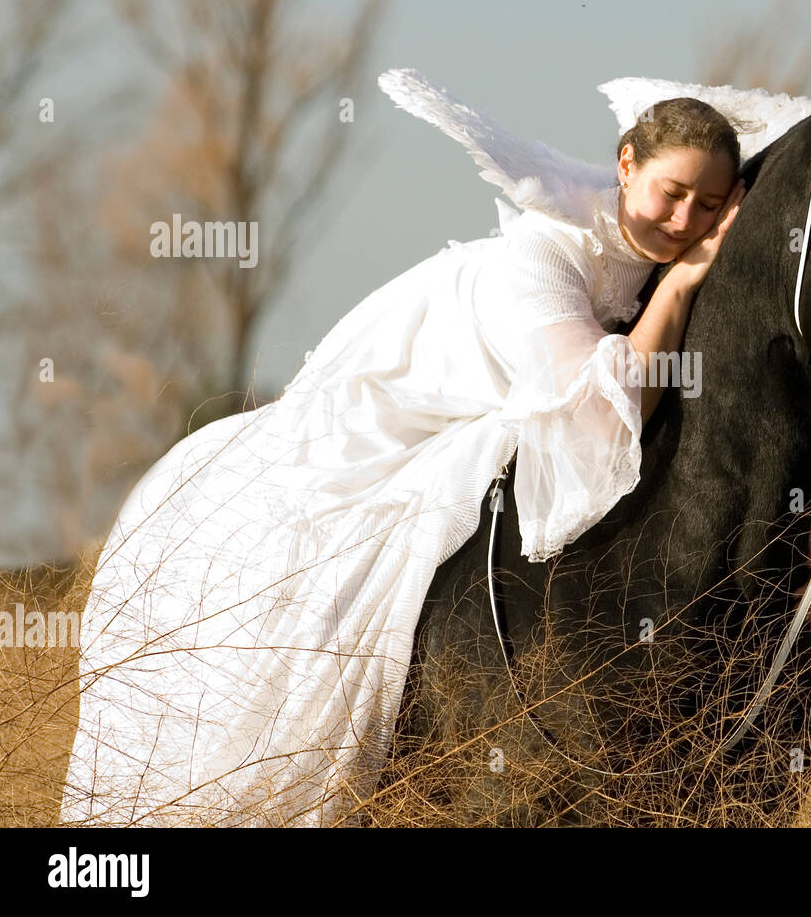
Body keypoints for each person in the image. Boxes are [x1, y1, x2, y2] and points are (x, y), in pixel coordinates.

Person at [60, 90, 745, 827]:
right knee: (328, 551)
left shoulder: (662, 246)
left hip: (495, 407)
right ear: (625, 165)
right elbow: (599, 416)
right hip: (404, 397)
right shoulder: (546, 249)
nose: (684, 223)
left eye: (709, 208)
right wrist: (679, 285)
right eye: (671, 194)